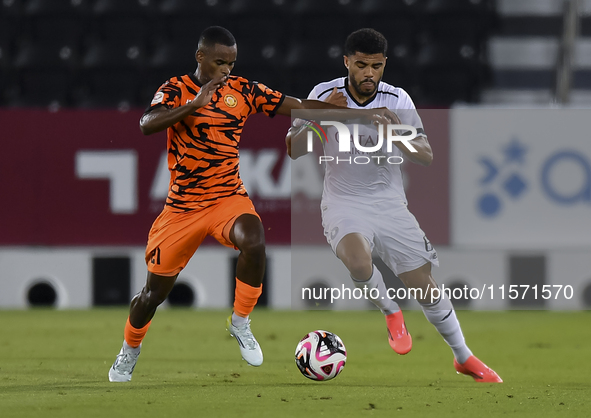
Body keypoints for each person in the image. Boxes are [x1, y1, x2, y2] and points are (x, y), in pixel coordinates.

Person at [108, 26, 349, 382]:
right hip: (182, 209)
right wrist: (193, 105)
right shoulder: (176, 88)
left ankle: (240, 321)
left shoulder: (244, 90)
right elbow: (147, 124)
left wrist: (325, 109)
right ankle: (129, 351)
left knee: (254, 239)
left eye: (231, 63)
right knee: (152, 295)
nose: (226, 70)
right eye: (220, 62)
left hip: (227, 197)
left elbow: (292, 106)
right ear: (200, 57)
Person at [286, 28, 502, 383]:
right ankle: (391, 312)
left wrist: (397, 134)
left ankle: (463, 357)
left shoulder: (397, 99)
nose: (368, 73)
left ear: (384, 63)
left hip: (389, 204)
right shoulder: (324, 94)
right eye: (360, 65)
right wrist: (320, 115)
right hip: (343, 202)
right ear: (346, 63)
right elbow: (294, 150)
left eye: (375, 65)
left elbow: (426, 156)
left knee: (425, 285)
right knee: (358, 261)